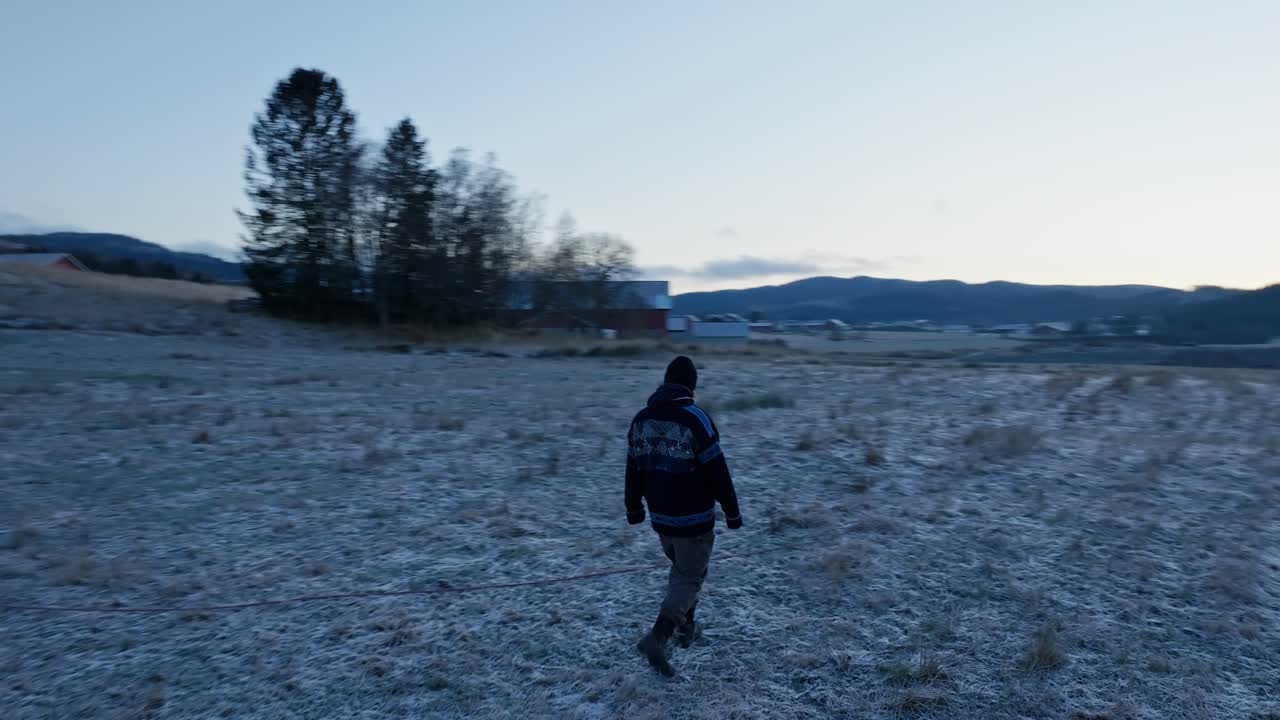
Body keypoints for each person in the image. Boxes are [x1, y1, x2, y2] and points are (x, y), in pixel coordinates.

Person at [625, 355, 743, 677]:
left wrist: (634, 508)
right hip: (694, 517)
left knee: (684, 571)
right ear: (691, 385)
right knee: (689, 577)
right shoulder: (696, 419)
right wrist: (732, 512)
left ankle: (685, 628)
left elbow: (633, 469)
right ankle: (658, 636)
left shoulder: (641, 419)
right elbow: (718, 471)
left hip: (661, 517)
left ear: (665, 381)